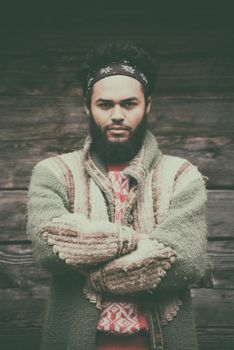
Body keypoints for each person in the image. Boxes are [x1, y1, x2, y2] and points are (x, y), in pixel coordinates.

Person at [27, 43, 208, 350]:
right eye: (105, 105)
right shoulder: (54, 172)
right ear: (87, 106)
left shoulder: (181, 175)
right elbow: (48, 247)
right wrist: (138, 243)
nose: (117, 115)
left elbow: (187, 261)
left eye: (129, 104)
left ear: (147, 105)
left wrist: (90, 261)